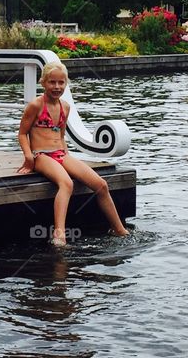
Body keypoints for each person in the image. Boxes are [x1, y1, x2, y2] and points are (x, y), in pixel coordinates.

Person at [17, 62, 130, 246]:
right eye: (52, 82)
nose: (57, 87)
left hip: (60, 154)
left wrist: (67, 158)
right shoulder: (36, 105)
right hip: (41, 156)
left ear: (66, 83)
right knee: (67, 183)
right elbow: (22, 133)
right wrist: (29, 158)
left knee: (101, 185)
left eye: (61, 83)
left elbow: (60, 135)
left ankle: (118, 229)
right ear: (43, 82)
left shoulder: (65, 107)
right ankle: (59, 234)